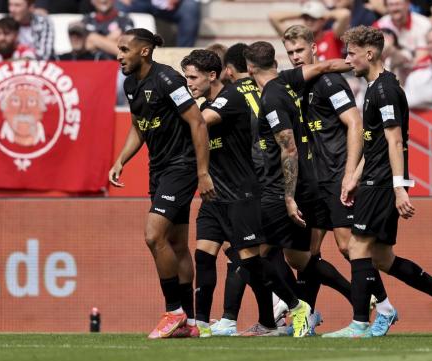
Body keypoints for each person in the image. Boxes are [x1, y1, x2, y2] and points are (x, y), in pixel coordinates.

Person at [324, 26, 432, 338]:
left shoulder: (384, 90)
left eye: (351, 53)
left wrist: (400, 187)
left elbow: (394, 140)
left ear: (369, 53)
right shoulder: (374, 87)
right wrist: (353, 177)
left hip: (383, 182)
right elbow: (374, 142)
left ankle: (360, 323)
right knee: (382, 257)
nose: (348, 59)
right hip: (374, 178)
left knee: (357, 246)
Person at [182, 49, 314, 338]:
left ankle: (296, 305)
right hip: (215, 195)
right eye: (186, 77)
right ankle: (202, 324)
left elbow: (199, 123)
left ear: (212, 75)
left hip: (240, 193)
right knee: (203, 255)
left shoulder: (230, 98)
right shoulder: (207, 102)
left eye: (193, 77)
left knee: (251, 262)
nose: (189, 82)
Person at [282, 24, 398, 337]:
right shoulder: (296, 84)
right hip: (312, 179)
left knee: (349, 246)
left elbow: (354, 124)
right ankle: (305, 316)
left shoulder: (330, 82)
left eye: (300, 51)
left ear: (313, 49)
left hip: (335, 175)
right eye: (290, 52)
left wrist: (349, 172)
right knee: (305, 252)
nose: (295, 57)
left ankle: (382, 306)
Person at [245, 41, 359, 337]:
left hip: (279, 188)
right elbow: (326, 65)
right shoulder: (286, 80)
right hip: (307, 182)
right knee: (300, 258)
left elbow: (289, 149)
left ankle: (298, 307)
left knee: (259, 255)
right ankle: (359, 297)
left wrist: (288, 196)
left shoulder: (271, 99)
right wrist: (365, 65)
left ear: (249, 68)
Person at [109, 28, 215, 339]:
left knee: (153, 235)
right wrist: (120, 160)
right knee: (179, 245)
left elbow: (197, 122)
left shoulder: (168, 79)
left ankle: (174, 311)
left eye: (124, 49)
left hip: (180, 168)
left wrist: (203, 172)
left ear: (143, 51)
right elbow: (139, 128)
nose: (119, 56)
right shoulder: (131, 85)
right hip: (159, 170)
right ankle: (191, 323)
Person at [269, 0, 351, 60]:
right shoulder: (299, 39)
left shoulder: (333, 36)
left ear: (323, 20)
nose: (309, 22)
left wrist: (324, 13)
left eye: (313, 18)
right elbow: (274, 17)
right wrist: (302, 13)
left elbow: (345, 14)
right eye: (306, 18)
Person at [115, 0, 201, 47]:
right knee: (117, 4)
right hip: (142, 3)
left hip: (173, 5)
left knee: (190, 7)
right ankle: (119, 48)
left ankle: (185, 55)